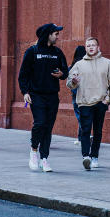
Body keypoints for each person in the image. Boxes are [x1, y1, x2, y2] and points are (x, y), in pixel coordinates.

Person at [17, 23, 69, 172]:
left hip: (52, 95)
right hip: (36, 95)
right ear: (48, 35)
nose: (58, 36)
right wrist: (25, 92)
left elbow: (65, 70)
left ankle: (44, 158)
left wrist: (62, 74)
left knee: (48, 127)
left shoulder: (58, 52)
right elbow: (23, 75)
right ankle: (34, 151)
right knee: (40, 123)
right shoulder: (32, 52)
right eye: (56, 34)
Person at [66, 36, 110, 170]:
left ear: (98, 47)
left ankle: (94, 156)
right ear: (86, 48)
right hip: (84, 103)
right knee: (85, 130)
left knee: (98, 131)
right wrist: (74, 82)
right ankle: (86, 157)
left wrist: (107, 100)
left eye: (93, 45)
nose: (90, 47)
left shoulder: (107, 63)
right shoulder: (79, 64)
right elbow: (69, 83)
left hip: (100, 102)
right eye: (88, 45)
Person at [70, 44, 87, 141]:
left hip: (76, 95)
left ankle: (83, 136)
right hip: (85, 94)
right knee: (83, 116)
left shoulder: (72, 67)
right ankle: (82, 137)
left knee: (80, 116)